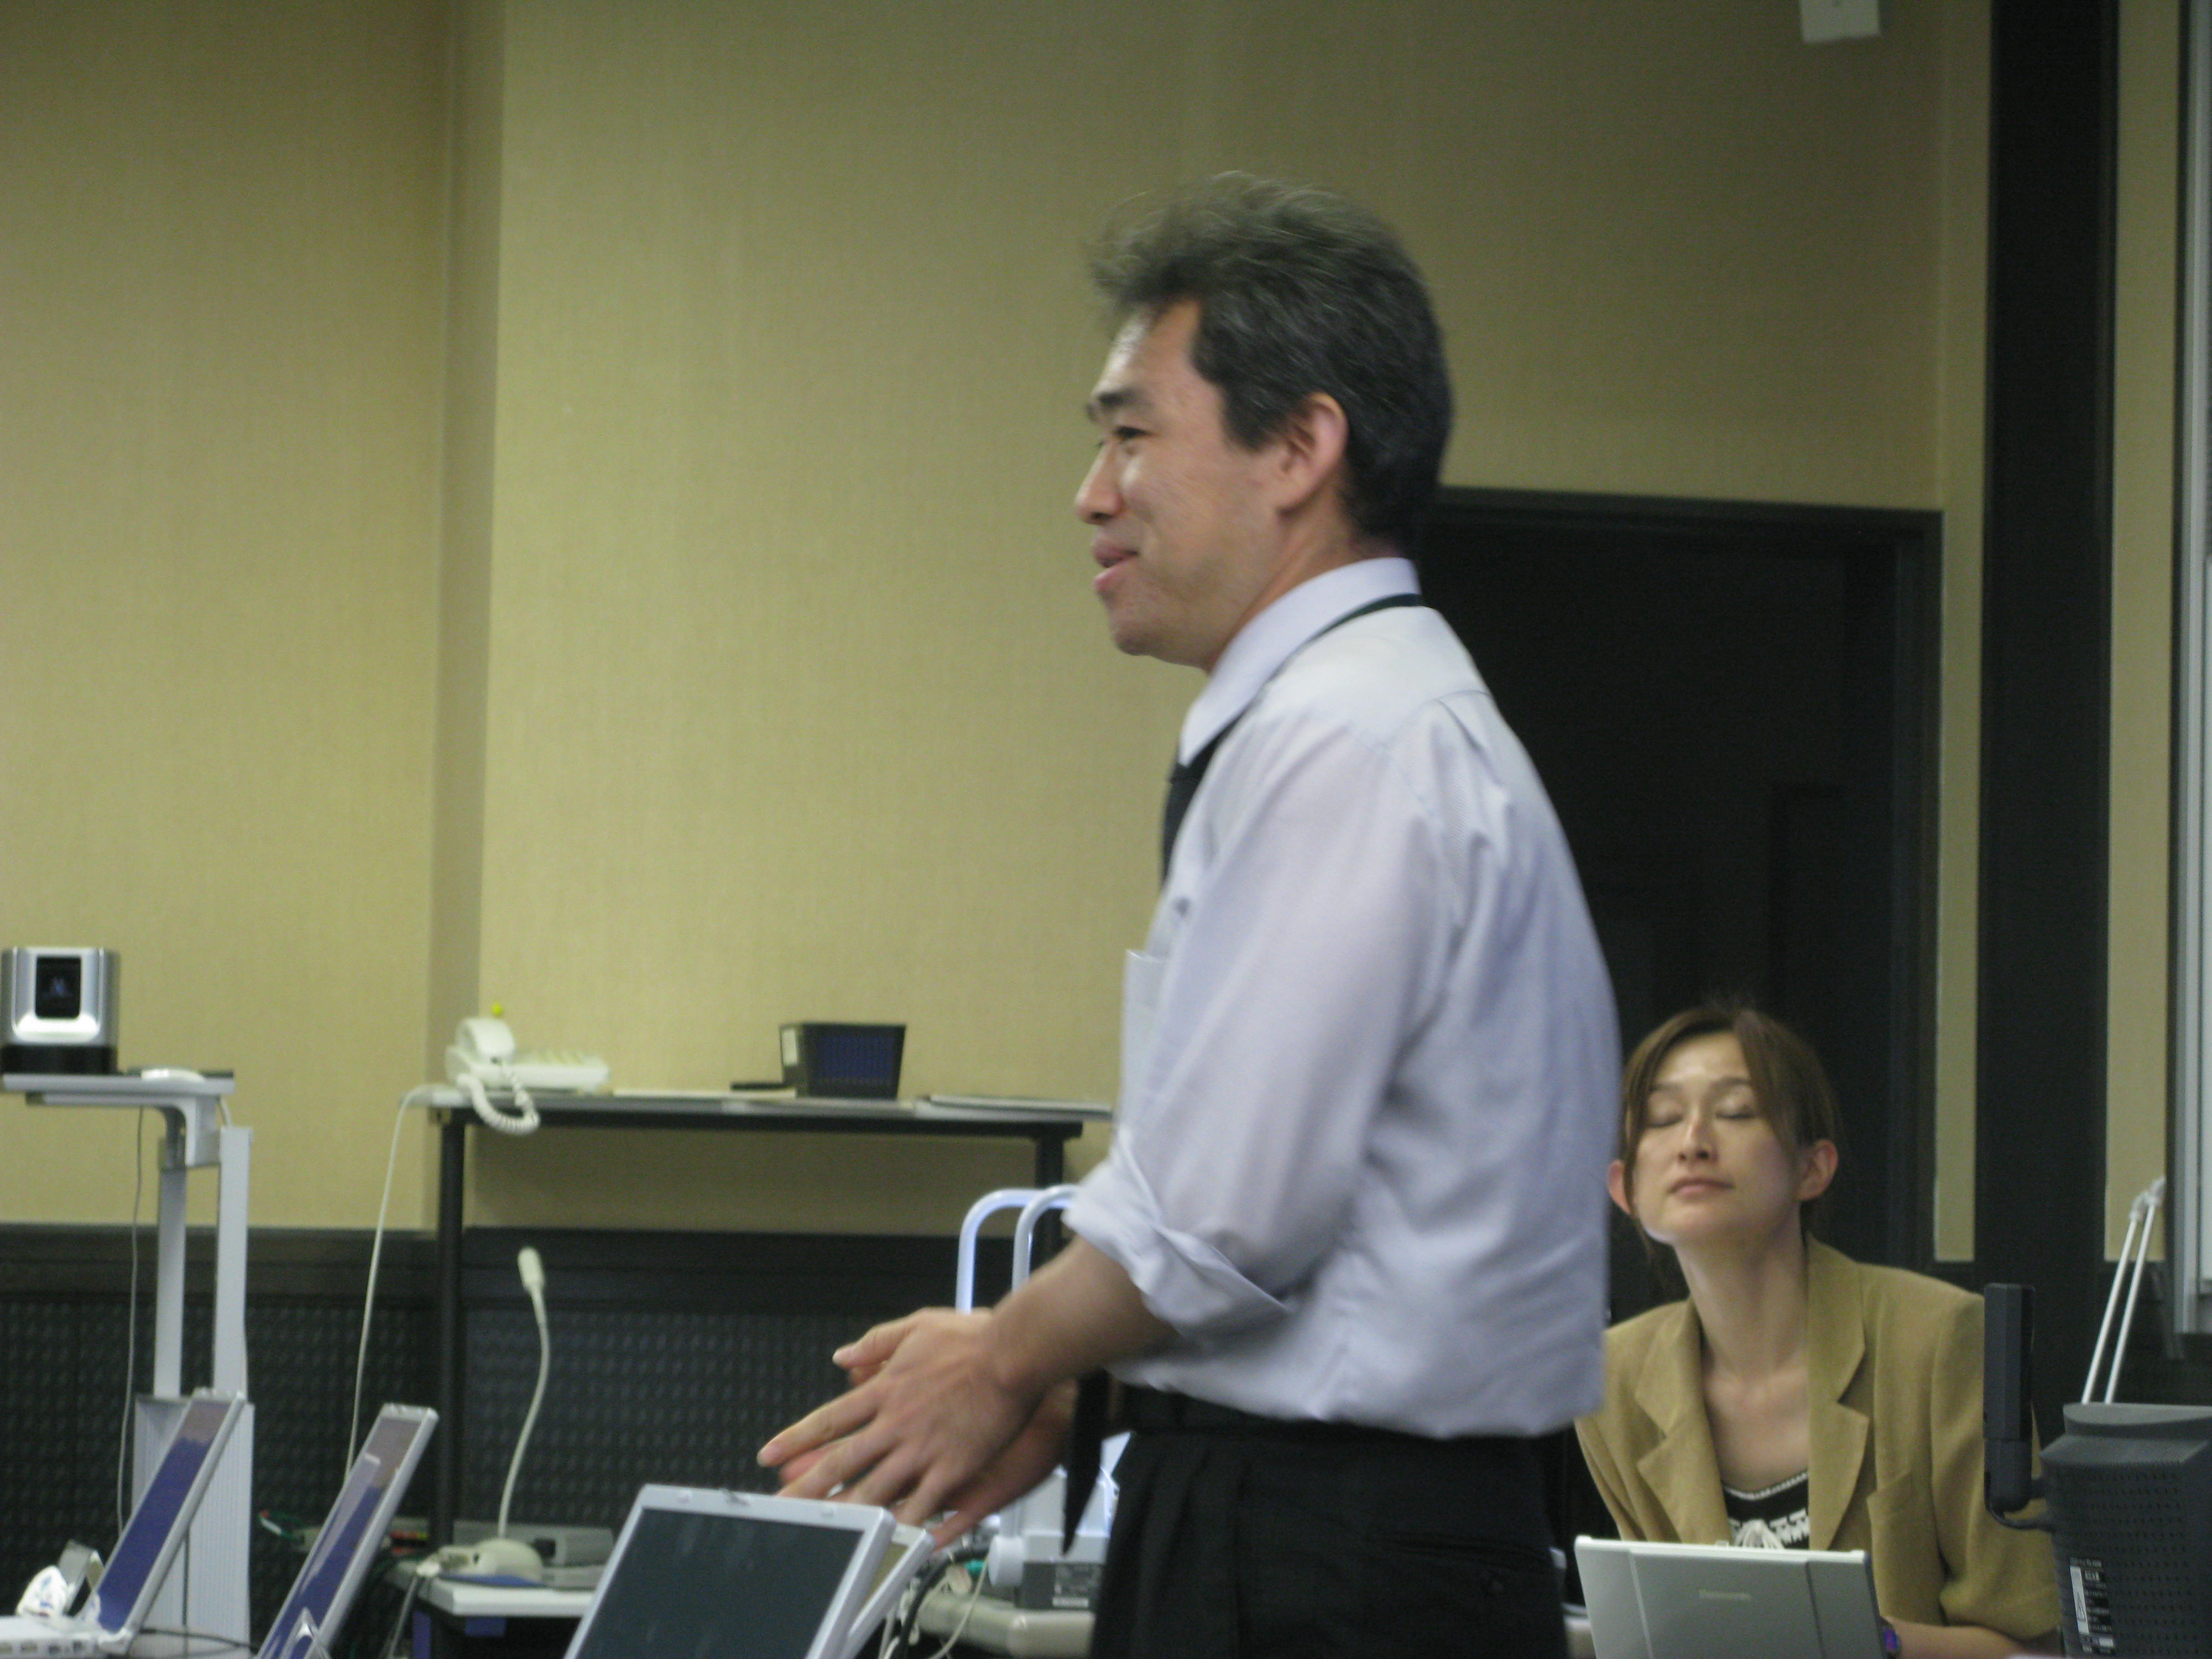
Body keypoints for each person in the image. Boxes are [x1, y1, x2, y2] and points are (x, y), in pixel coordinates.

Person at [760, 174, 1618, 1658]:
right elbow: (1308, 1219)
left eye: (1132, 434)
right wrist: (1080, 1385)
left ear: (1300, 447)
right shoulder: (1355, 715)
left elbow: (1225, 1219)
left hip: (1331, 1557)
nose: (1092, 493)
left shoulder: (1349, 739)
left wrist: (1002, 1356)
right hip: (1309, 1522)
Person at [1575, 1003, 2061, 1659]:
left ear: (1812, 1168)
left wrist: (1865, 1637)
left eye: (1736, 1111)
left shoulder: (1936, 1337)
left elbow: (2029, 1647)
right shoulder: (1612, 1377)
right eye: (1662, 1119)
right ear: (1624, 1188)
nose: (1692, 1141)